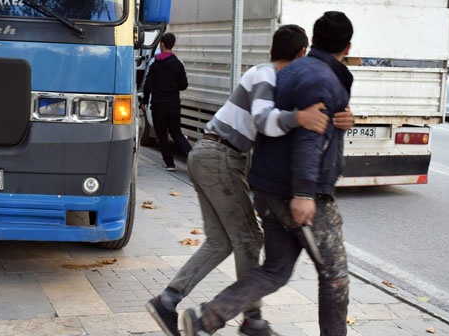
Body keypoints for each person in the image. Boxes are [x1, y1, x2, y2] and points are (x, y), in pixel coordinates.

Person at [145, 24, 355, 336]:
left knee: (221, 242)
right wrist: (301, 117)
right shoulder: (265, 75)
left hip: (213, 155)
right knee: (249, 240)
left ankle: (168, 301)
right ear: (301, 53)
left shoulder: (276, 79)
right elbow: (263, 121)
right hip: (220, 156)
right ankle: (251, 320)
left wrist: (340, 117)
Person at [141, 32, 192, 171]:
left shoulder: (155, 63)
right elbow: (184, 85)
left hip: (158, 104)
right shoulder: (178, 63)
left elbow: (148, 85)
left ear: (162, 44)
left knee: (161, 133)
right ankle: (191, 156)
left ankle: (169, 163)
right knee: (176, 132)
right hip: (173, 103)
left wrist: (144, 101)